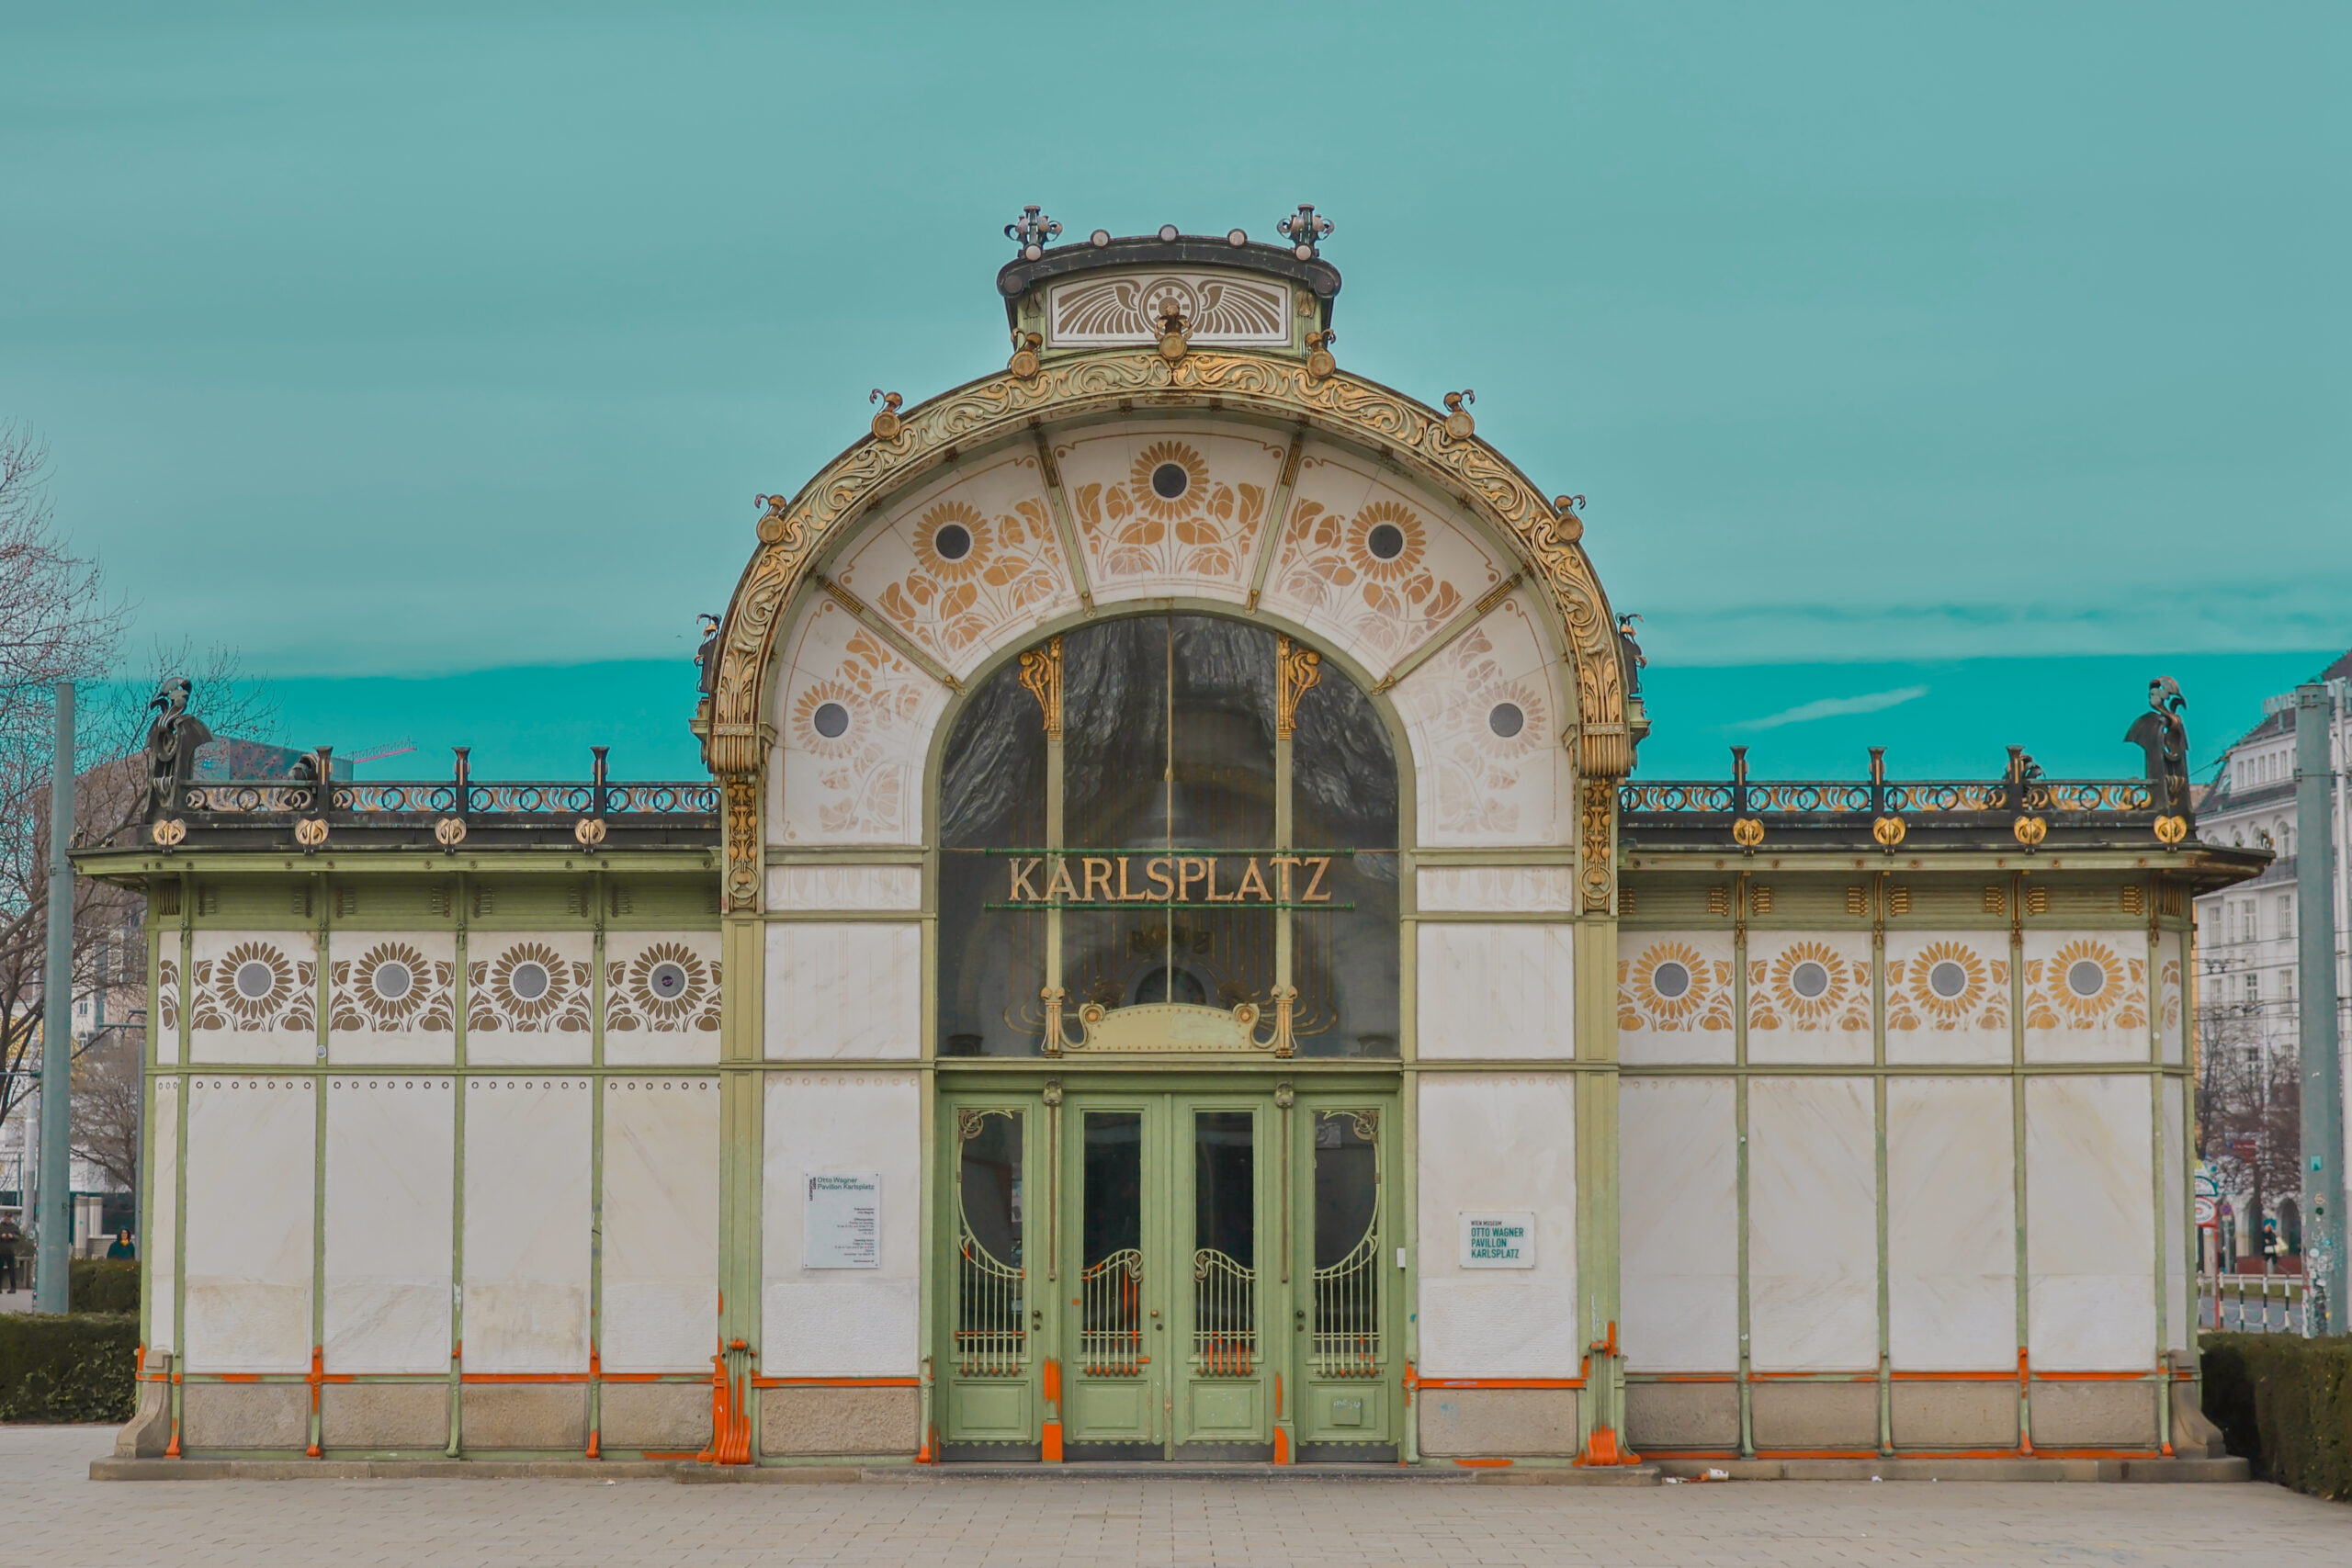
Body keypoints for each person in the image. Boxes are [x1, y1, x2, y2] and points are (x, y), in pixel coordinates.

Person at [0, 1215, 21, 1292]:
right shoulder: (0, 1226)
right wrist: (1, 1236)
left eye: (9, 1218)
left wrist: (12, 1236)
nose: (7, 1219)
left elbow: (18, 1237)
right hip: (1, 1251)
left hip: (10, 1251)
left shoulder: (14, 1227)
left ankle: (13, 1288)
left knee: (12, 1270)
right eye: (6, 1217)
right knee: (0, 1270)